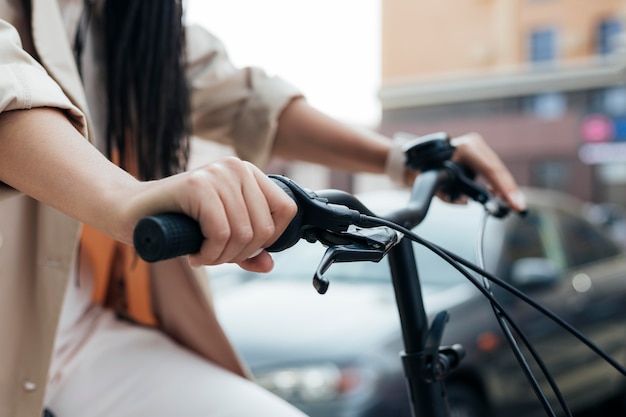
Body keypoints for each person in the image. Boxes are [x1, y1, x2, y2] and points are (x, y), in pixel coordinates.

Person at [0, 1, 527, 416]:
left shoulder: (123, 15)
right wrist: (123, 198)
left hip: (78, 336)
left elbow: (245, 98)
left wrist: (399, 158)